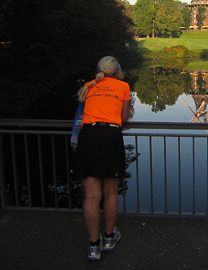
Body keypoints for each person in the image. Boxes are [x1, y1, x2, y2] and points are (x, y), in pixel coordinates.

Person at [74, 56, 130, 261]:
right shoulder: (123, 86)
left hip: (88, 137)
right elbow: (123, 119)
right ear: (117, 73)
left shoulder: (89, 85)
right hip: (110, 137)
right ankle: (108, 238)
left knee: (91, 196)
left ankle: (93, 245)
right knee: (111, 193)